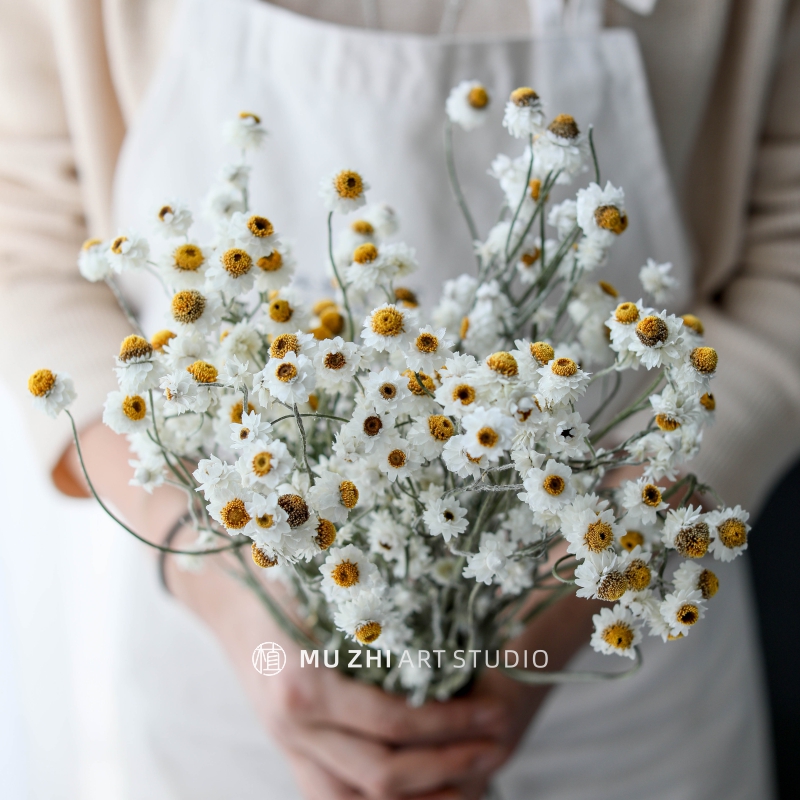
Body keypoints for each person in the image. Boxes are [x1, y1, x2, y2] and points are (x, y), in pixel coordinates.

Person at [1, 0, 798, 797]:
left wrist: (569, 593)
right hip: (239, 668)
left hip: (628, 642)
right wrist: (214, 566)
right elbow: (24, 234)